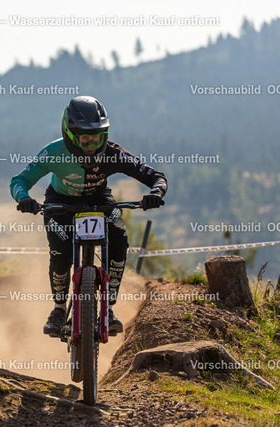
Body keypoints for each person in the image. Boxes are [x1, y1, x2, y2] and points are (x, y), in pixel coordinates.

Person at [10, 96, 167, 337]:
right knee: (60, 252)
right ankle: (58, 309)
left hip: (99, 200)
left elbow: (156, 176)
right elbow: (19, 180)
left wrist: (155, 193)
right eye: (85, 139)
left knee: (119, 241)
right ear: (69, 135)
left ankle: (109, 308)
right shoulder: (54, 152)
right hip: (60, 203)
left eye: (98, 138)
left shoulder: (113, 153)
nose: (92, 145)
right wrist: (24, 198)